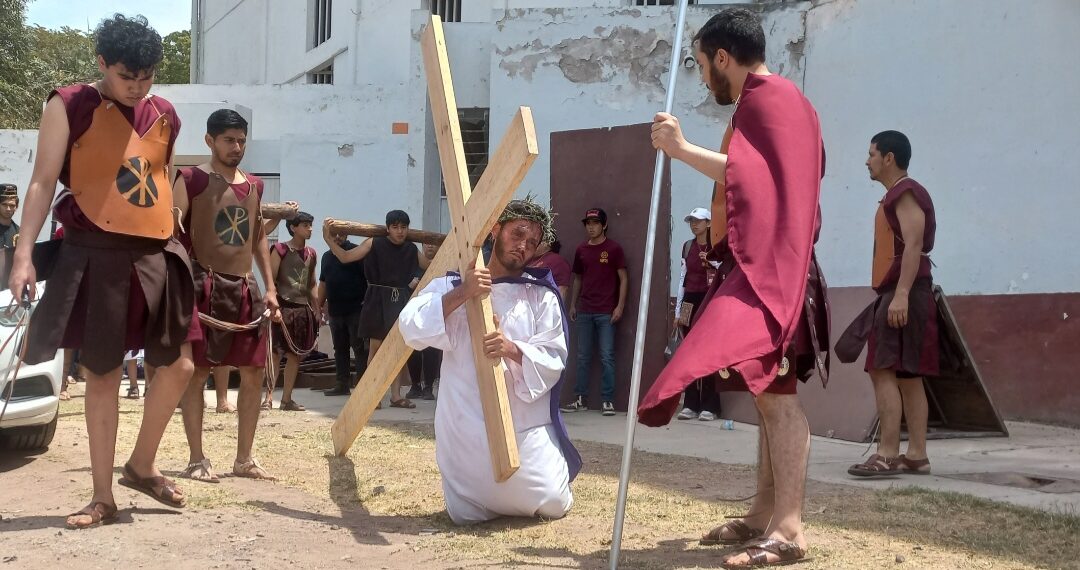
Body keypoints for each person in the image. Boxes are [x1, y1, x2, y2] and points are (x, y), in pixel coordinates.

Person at [638, 8, 830, 567]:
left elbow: (757, 178)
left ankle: (788, 529)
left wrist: (680, 149)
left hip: (775, 272)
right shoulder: (766, 103)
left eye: (703, 66)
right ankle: (763, 513)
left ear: (723, 57)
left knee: (778, 398)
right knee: (767, 393)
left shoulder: (774, 100)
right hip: (758, 265)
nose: (703, 78)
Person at [10, 14, 197, 529]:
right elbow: (42, 182)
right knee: (103, 373)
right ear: (101, 63)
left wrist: (178, 238)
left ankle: (141, 465)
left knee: (180, 365)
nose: (137, 87)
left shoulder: (164, 114)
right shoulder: (69, 104)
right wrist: (23, 255)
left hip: (154, 252)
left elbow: (160, 176)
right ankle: (101, 497)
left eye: (146, 77)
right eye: (125, 76)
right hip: (94, 250)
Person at [399, 198, 581, 524]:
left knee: (552, 502)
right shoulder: (452, 284)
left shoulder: (540, 296)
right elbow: (410, 327)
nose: (523, 246)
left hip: (523, 425)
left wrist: (511, 349)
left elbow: (554, 358)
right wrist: (464, 293)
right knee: (466, 512)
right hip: (465, 426)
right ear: (496, 230)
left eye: (532, 242)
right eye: (517, 234)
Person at [175, 108, 280, 480]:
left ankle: (244, 459)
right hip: (202, 286)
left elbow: (257, 236)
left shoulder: (255, 185)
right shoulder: (191, 179)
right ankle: (196, 459)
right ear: (210, 140)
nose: (236, 147)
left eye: (241, 141)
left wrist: (270, 288)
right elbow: (171, 233)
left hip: (244, 287)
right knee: (198, 371)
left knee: (253, 370)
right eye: (228, 140)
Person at [838, 131, 938, 478]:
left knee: (882, 369)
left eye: (872, 154)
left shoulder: (904, 192)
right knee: (908, 375)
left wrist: (901, 294)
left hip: (903, 290)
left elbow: (913, 244)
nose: (867, 161)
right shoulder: (896, 195)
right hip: (904, 291)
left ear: (889, 158)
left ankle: (887, 454)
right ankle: (917, 456)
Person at [322, 210, 433, 408]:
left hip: (401, 300)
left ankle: (396, 396)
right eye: (395, 227)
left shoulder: (411, 248)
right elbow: (346, 257)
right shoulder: (374, 242)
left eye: (404, 227)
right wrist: (328, 240)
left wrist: (454, 247)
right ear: (388, 228)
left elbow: (430, 266)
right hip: (377, 299)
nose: (400, 231)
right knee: (376, 349)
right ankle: (372, 395)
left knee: (397, 349)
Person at [563, 208, 628, 416]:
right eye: (588, 223)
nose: (591, 227)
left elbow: (624, 278)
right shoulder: (581, 249)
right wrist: (573, 304)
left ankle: (607, 400)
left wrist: (620, 306)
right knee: (582, 356)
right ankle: (580, 398)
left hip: (606, 311)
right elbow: (578, 279)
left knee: (606, 356)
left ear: (604, 225)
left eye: (595, 223)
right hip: (584, 310)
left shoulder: (614, 249)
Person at [674, 207, 721, 422]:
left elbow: (726, 269)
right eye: (691, 221)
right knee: (688, 351)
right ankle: (690, 404)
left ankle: (710, 405)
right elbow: (682, 279)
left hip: (709, 300)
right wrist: (678, 311)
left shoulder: (716, 246)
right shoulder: (687, 246)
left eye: (698, 221)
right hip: (689, 301)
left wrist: (711, 260)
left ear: (709, 223)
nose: (694, 225)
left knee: (709, 351)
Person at [267, 212, 318, 411]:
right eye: (305, 225)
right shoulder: (280, 249)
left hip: (302, 308)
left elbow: (311, 284)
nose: (309, 229)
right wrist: (274, 307)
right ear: (293, 227)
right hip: (282, 305)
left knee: (295, 355)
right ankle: (268, 398)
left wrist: (317, 308)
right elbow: (271, 280)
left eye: (310, 225)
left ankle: (286, 400)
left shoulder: (312, 253)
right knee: (275, 353)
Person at [319, 229, 368, 396]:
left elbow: (369, 279)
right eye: (334, 234)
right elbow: (323, 283)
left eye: (341, 234)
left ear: (347, 235)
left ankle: (362, 386)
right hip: (335, 310)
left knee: (360, 348)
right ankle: (342, 384)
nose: (338, 237)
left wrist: (367, 303)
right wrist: (318, 307)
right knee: (340, 348)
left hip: (356, 309)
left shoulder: (357, 252)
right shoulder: (326, 257)